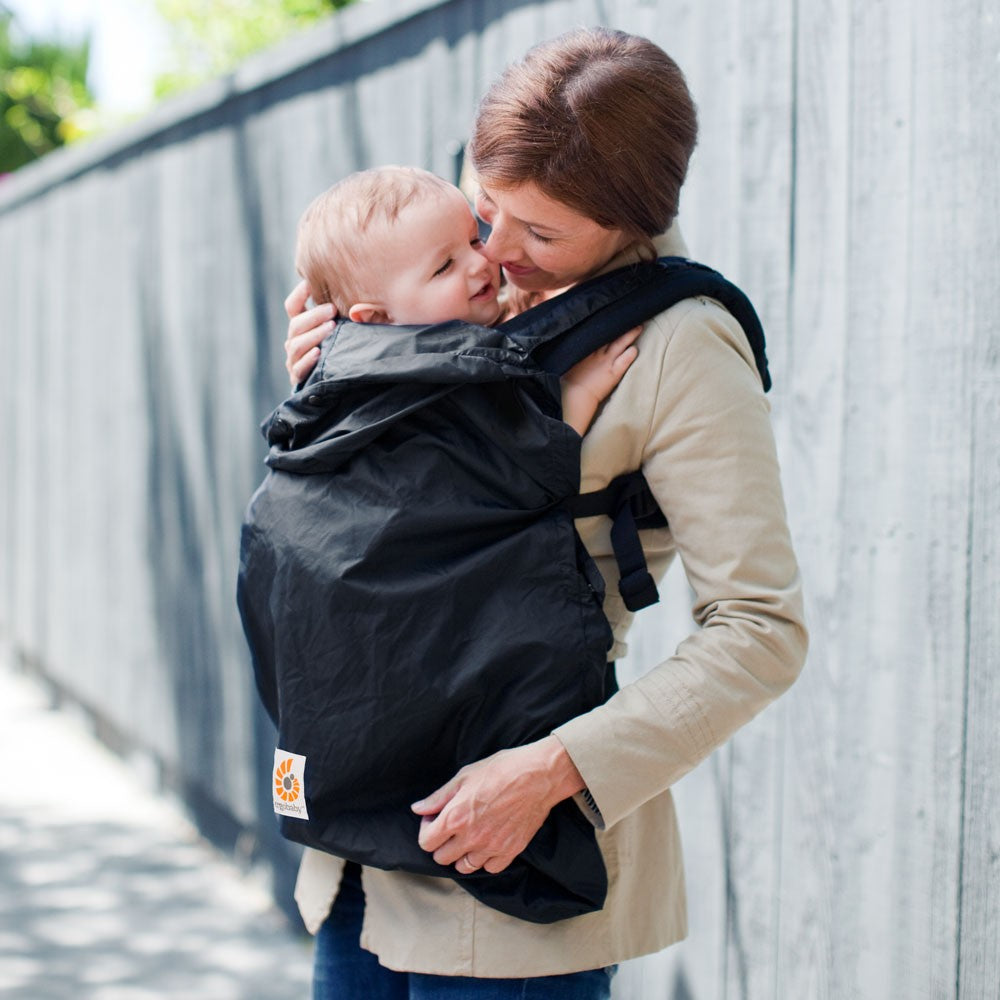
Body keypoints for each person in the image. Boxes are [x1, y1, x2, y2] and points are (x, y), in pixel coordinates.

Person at [282, 26, 808, 1000]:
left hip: (512, 864)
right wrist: (333, 385)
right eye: (487, 210)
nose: (496, 255)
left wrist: (552, 772)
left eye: (541, 235)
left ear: (629, 222)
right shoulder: (435, 278)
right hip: (360, 849)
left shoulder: (679, 346)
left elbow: (760, 630)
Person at [293, 163, 640, 437]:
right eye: (444, 267)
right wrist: (581, 394)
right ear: (379, 318)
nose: (482, 260)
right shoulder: (424, 383)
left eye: (474, 239)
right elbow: (505, 465)